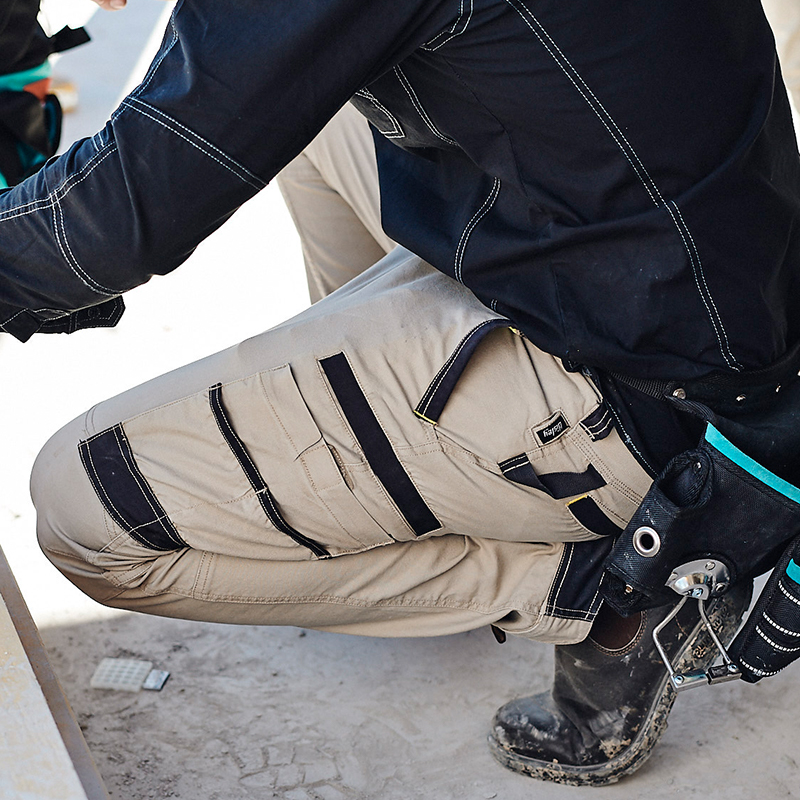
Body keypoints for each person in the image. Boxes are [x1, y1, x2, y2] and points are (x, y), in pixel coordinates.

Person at [1, 0, 798, 785]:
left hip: (653, 397)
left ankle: (608, 592)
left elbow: (110, 219)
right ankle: (388, 483)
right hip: (713, 275)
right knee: (306, 109)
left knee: (81, 513)